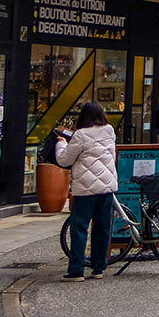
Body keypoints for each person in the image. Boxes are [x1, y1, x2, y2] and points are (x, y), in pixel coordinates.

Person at [55, 102, 118, 281]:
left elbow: (64, 160)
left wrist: (61, 144)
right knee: (102, 227)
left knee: (80, 228)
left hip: (85, 189)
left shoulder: (81, 135)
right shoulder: (109, 131)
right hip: (106, 187)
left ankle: (76, 270)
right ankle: (98, 268)